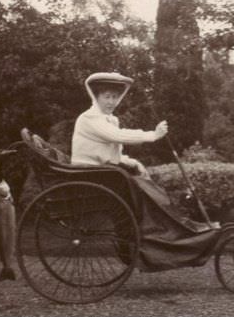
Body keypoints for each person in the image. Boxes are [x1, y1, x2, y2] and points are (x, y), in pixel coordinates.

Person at [72, 72, 216, 239]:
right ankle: (162, 229)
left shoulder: (108, 119)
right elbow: (118, 136)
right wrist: (153, 135)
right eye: (107, 97)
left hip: (101, 170)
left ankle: (176, 225)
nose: (111, 102)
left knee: (146, 183)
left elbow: (110, 152)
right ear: (96, 97)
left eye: (115, 97)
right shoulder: (89, 118)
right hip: (89, 172)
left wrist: (130, 161)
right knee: (140, 186)